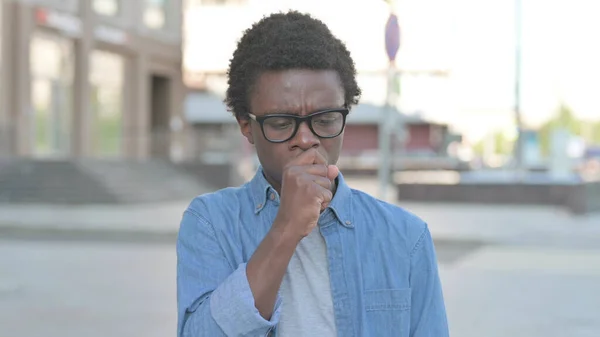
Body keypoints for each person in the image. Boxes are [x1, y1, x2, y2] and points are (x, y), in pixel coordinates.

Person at [177, 11, 449, 337]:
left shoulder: (407, 236)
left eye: (325, 119)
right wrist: (287, 227)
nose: (306, 139)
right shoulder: (212, 223)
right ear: (246, 126)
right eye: (281, 122)